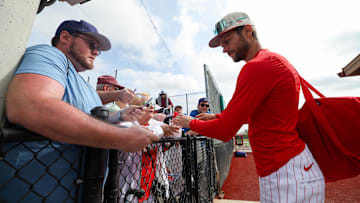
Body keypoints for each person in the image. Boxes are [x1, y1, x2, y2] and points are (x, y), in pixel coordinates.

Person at [174, 12, 325, 202]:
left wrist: (191, 122)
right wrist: (216, 117)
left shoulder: (257, 67)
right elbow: (262, 114)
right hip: (289, 169)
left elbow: (225, 131)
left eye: (227, 41)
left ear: (247, 31)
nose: (224, 50)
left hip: (286, 172)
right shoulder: (272, 60)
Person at [3, 20, 158, 202]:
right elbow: (29, 105)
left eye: (97, 48)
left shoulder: (82, 83)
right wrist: (119, 136)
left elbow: (92, 117)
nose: (96, 52)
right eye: (91, 44)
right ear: (65, 37)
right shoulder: (50, 54)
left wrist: (121, 116)